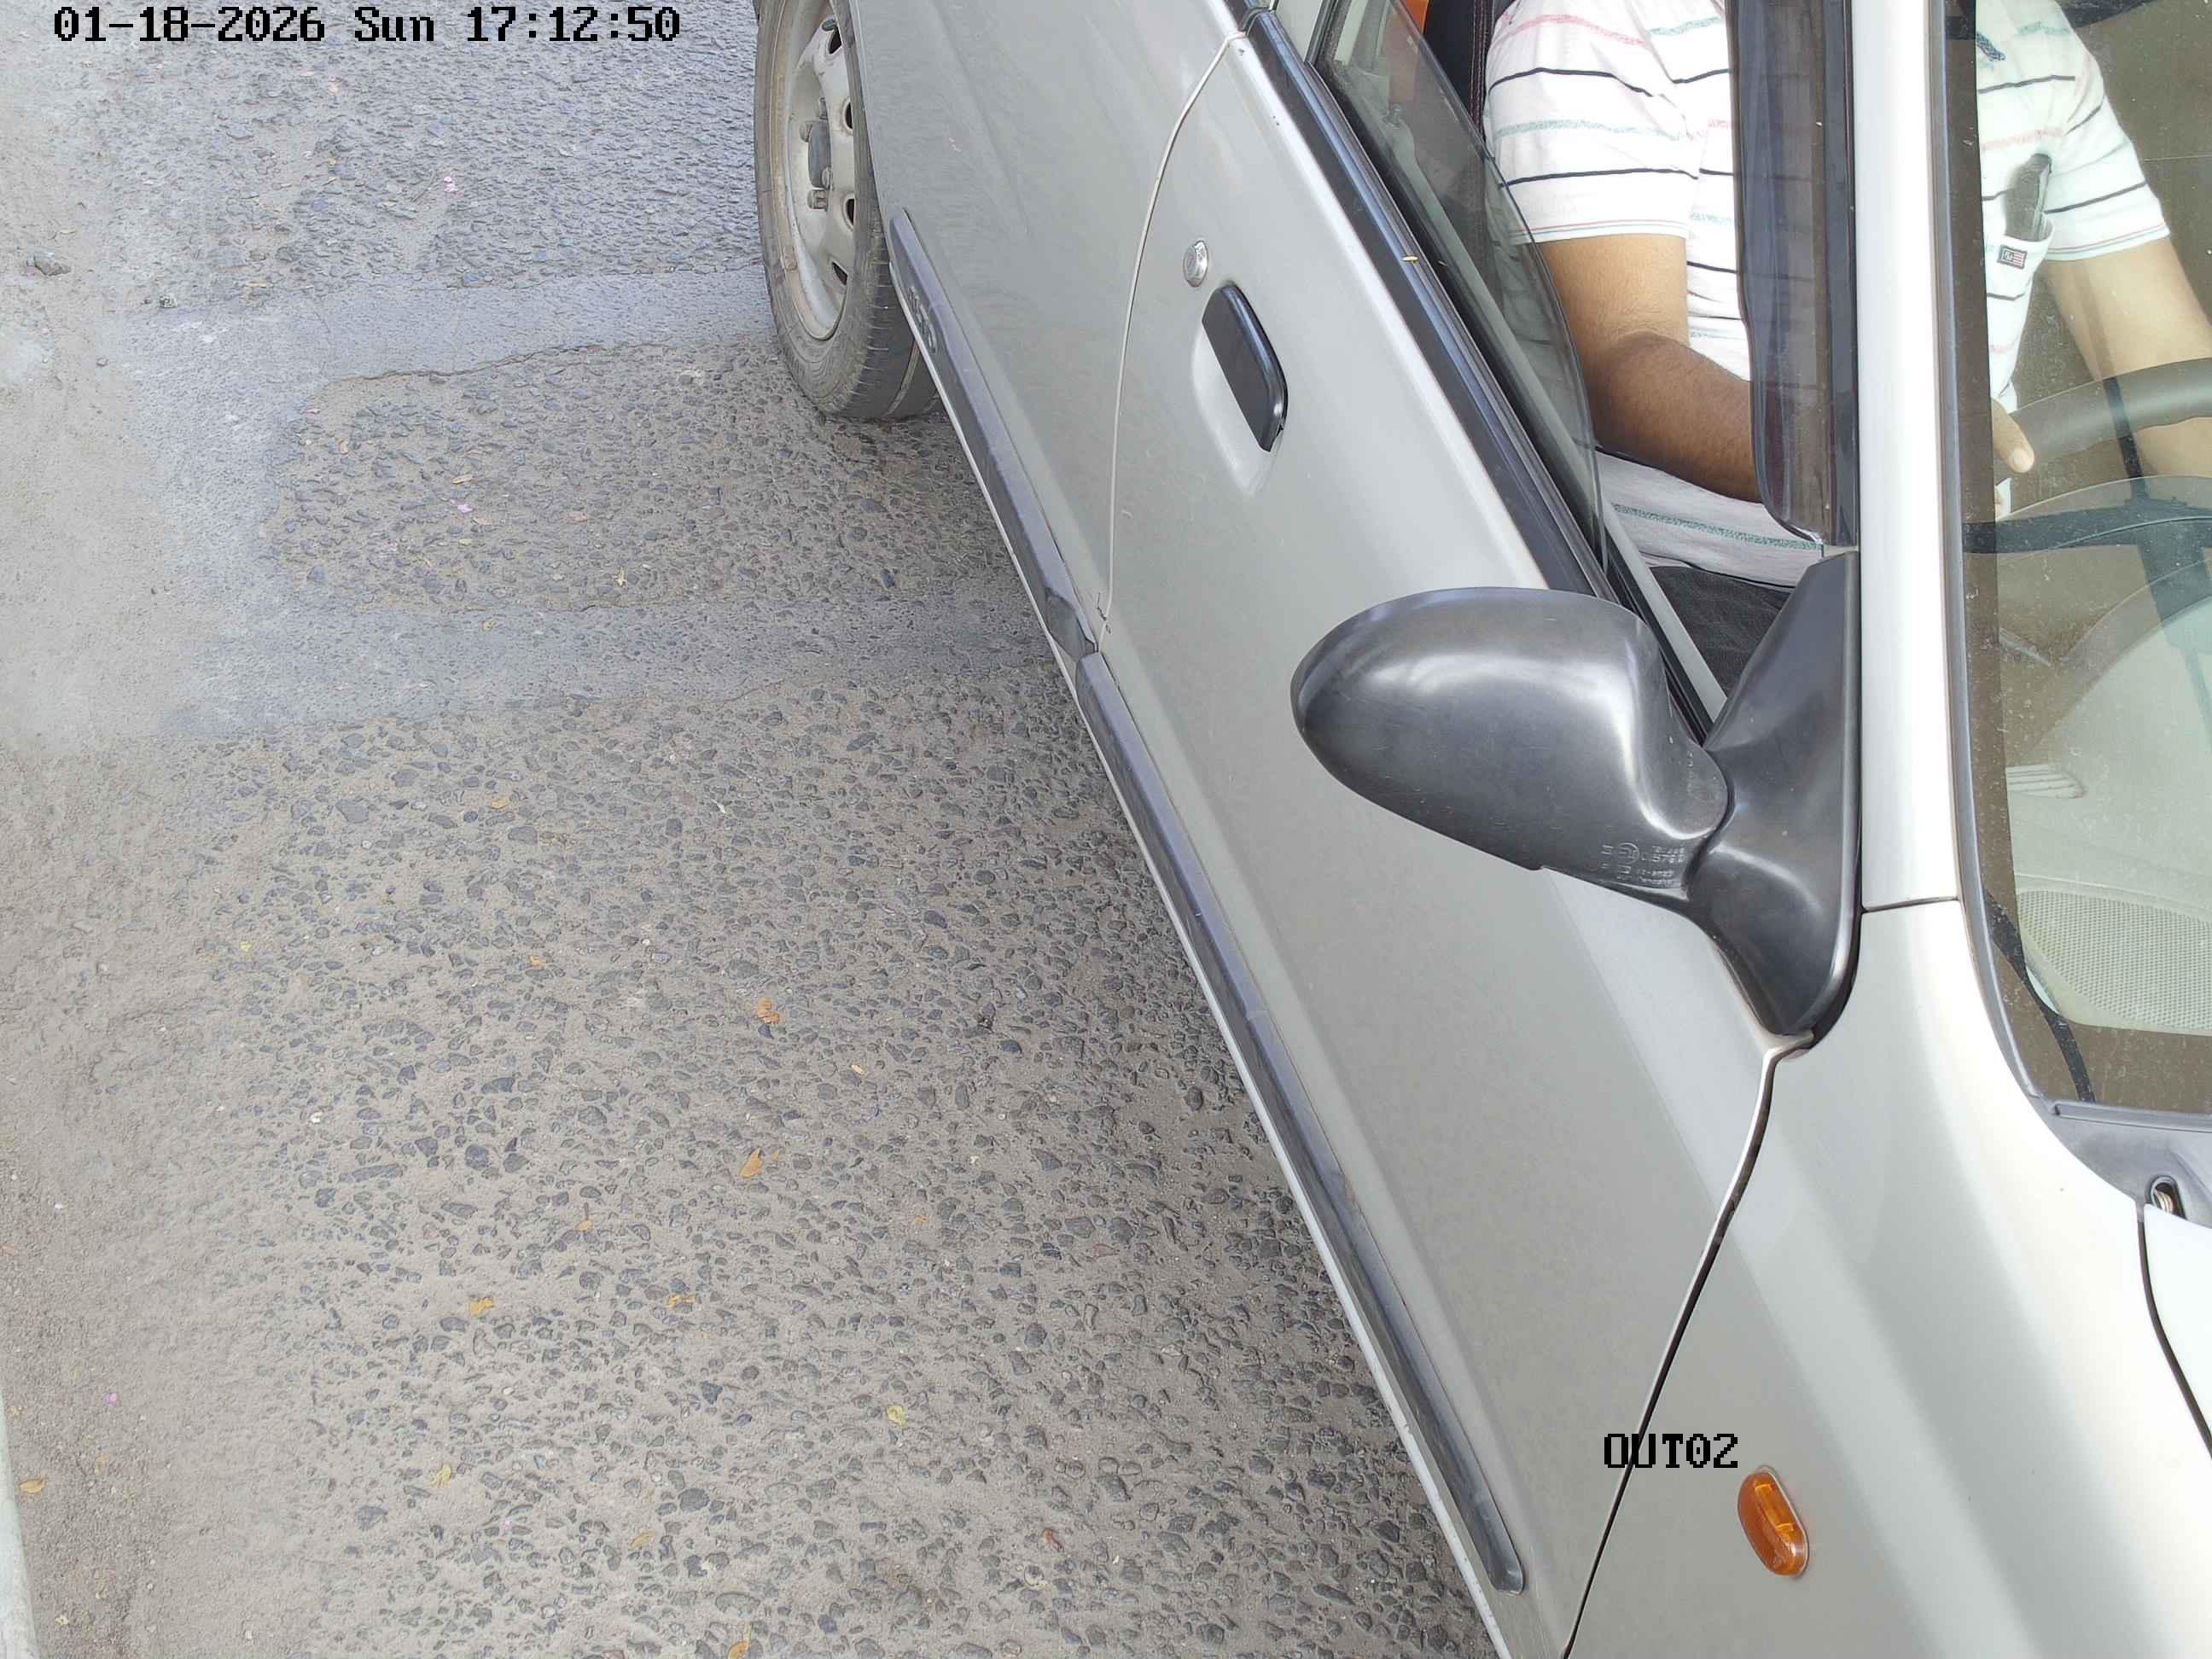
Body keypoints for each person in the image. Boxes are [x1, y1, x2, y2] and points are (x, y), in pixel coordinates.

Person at [1482, 0, 2212, 597]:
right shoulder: (1599, 22)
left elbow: (2160, 356)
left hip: (1945, 595)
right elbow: (1621, 360)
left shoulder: (2031, 36)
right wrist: (1870, 447)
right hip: (1685, 597)